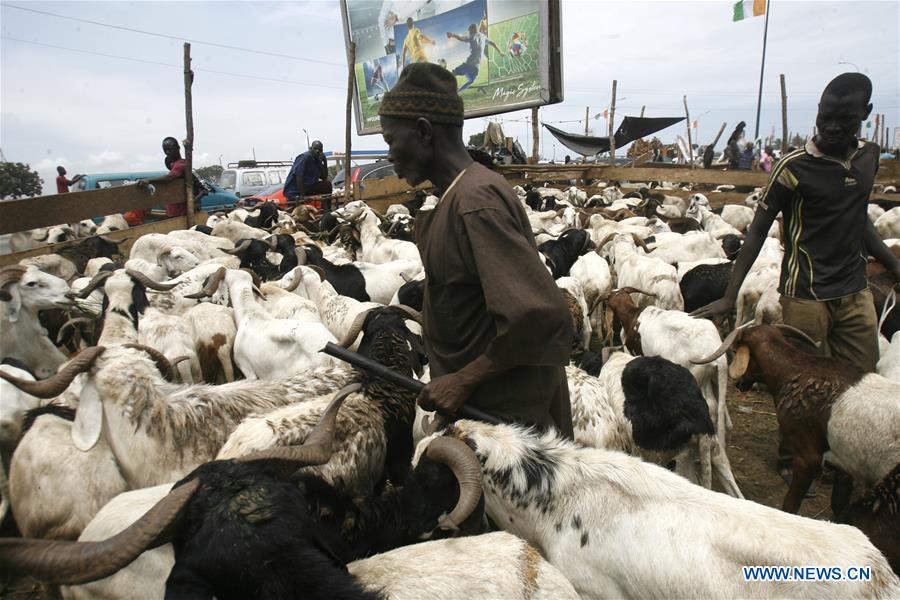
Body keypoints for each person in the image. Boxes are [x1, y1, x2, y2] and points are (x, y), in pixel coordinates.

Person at [691, 73, 900, 478]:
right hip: (805, 290)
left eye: (846, 120)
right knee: (803, 380)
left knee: (861, 377)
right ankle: (793, 456)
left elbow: (861, 222)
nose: (834, 127)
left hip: (855, 289)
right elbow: (756, 229)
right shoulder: (792, 167)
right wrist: (730, 293)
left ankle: (841, 451)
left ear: (866, 116)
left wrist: (893, 268)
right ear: (817, 114)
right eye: (826, 118)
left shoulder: (868, 157)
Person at [378, 62, 575, 437]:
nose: (390, 154)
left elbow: (536, 317)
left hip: (506, 425)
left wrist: (462, 381)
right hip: (481, 414)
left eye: (391, 140)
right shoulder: (458, 196)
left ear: (422, 131)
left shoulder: (475, 203)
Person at [134, 137, 190, 222]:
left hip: (180, 213)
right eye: (165, 150)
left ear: (178, 148)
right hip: (173, 211)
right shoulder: (174, 165)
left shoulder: (181, 164)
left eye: (170, 149)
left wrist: (149, 180)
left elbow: (169, 177)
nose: (167, 152)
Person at [446, 23, 501, 92]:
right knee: (470, 81)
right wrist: (500, 53)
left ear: (472, 30)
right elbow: (493, 43)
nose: (469, 33)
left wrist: (453, 35)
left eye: (469, 31)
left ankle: (442, 85)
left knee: (453, 73)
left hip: (467, 65)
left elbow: (462, 38)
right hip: (476, 69)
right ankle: (457, 92)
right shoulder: (483, 37)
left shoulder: (471, 36)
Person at [284, 140, 332, 209]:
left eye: (320, 150)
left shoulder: (318, 160)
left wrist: (325, 161)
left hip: (308, 188)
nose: (317, 151)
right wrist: (303, 196)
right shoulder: (304, 157)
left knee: (327, 185)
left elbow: (324, 177)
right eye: (315, 149)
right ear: (311, 148)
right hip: (295, 191)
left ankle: (326, 210)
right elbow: (299, 177)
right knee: (300, 212)